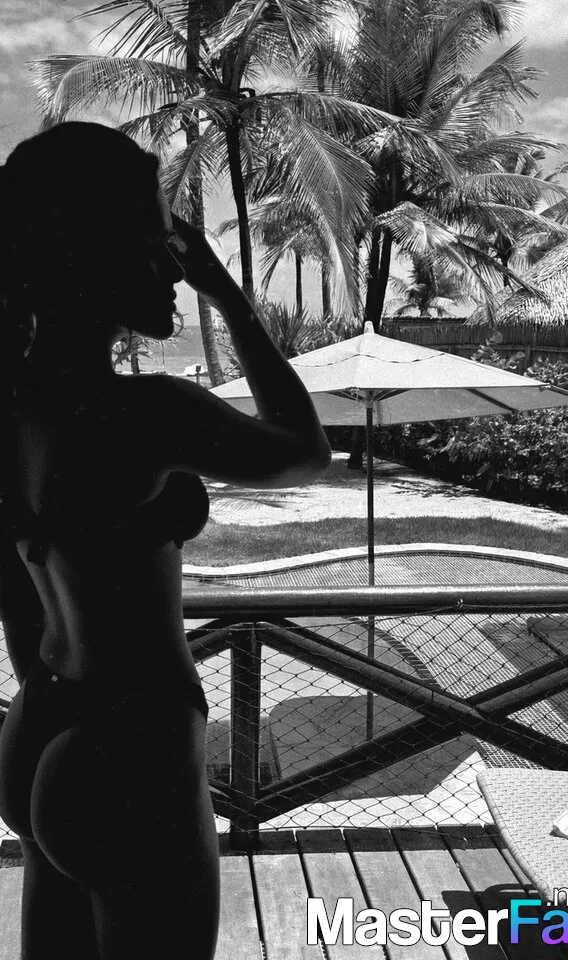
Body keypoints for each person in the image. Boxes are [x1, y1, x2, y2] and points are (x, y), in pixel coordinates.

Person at [0, 121, 331, 960]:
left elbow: (14, 590)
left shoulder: (15, 405)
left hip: (43, 717)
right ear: (96, 258)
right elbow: (304, 449)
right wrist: (230, 294)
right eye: (158, 243)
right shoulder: (143, 414)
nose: (178, 267)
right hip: (134, 746)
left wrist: (54, 701)